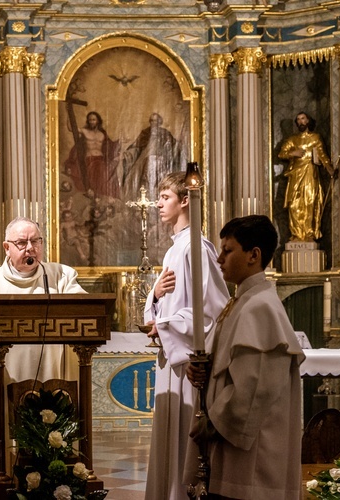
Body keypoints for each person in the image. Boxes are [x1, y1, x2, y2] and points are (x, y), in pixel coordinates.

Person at [185, 215, 304, 500]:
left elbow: (253, 390)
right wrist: (204, 369)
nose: (220, 258)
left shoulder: (260, 308)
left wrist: (211, 423)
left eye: (228, 250)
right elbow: (231, 365)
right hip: (235, 447)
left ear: (254, 255)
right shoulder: (242, 302)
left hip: (253, 457)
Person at [142, 172, 229, 500]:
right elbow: (166, 306)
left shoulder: (197, 249)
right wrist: (154, 297)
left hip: (188, 365)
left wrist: (164, 325)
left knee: (184, 446)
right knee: (170, 442)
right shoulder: (175, 250)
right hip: (172, 362)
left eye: (165, 197)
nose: (159, 204)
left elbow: (213, 311)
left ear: (184, 200)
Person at [0, 217, 87, 383]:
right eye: (21, 242)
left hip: (53, 372)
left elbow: (85, 306)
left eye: (35, 241)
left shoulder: (61, 276)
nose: (30, 248)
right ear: (7, 247)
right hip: (5, 373)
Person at [278, 111, 335, 242]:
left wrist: (329, 168)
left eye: (303, 119)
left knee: (310, 202)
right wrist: (294, 153)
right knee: (294, 204)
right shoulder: (292, 139)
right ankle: (297, 234)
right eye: (298, 119)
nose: (300, 121)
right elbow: (282, 154)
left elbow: (322, 155)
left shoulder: (315, 138)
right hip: (295, 174)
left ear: (308, 121)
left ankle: (309, 233)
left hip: (310, 173)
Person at [121, 113, 181, 201]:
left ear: (159, 122)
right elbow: (136, 146)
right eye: (152, 120)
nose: (154, 123)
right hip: (145, 159)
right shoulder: (145, 133)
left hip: (161, 160)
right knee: (140, 172)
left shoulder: (165, 133)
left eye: (156, 121)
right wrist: (129, 153)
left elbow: (174, 147)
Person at [63, 110, 121, 198]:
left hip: (100, 159)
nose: (92, 122)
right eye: (90, 120)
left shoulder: (102, 134)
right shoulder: (85, 131)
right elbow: (71, 128)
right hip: (90, 159)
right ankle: (93, 197)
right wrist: (68, 113)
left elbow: (110, 145)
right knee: (92, 179)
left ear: (98, 121)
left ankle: (100, 197)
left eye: (94, 119)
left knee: (102, 178)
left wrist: (120, 144)